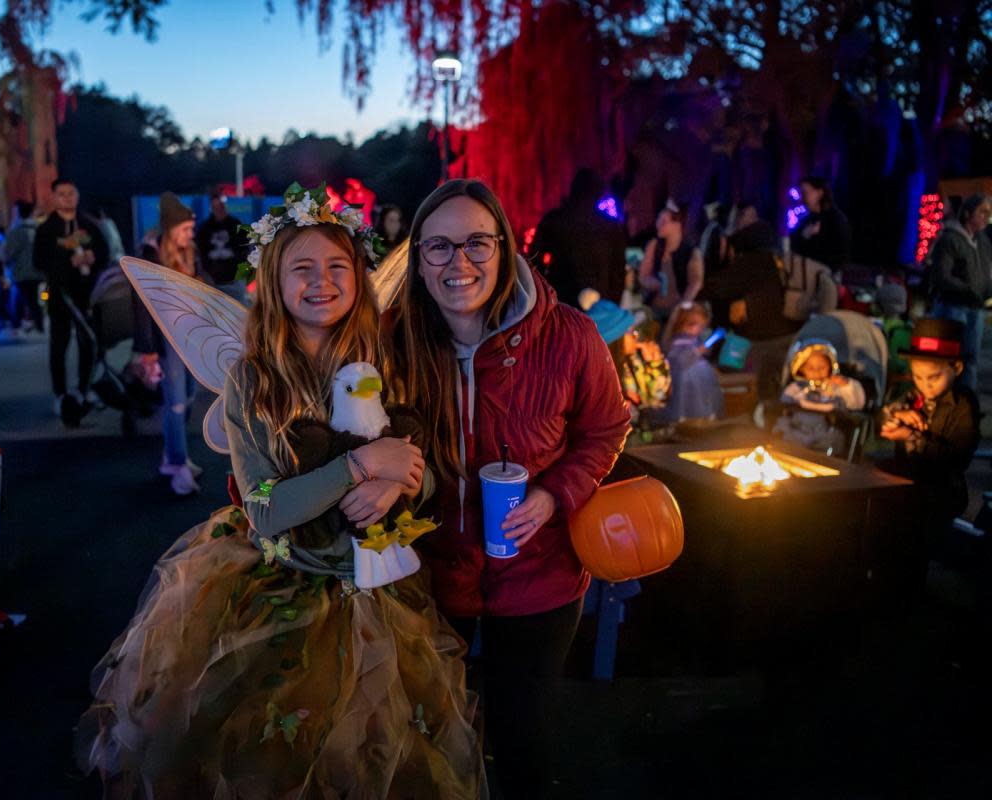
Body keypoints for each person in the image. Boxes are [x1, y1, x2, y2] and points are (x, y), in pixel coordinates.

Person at [78, 184, 481, 797]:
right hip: (284, 584)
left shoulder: (386, 361)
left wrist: (403, 479)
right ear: (273, 281)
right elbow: (266, 512)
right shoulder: (253, 379)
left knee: (372, 752)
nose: (321, 281)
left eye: (337, 266)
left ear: (359, 277)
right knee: (281, 751)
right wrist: (363, 465)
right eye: (302, 268)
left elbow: (420, 479)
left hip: (375, 578)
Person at [385, 179, 631, 796]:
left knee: (522, 739)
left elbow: (606, 428)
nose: (458, 262)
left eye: (476, 243)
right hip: (426, 575)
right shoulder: (392, 342)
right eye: (438, 247)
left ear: (505, 247)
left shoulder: (570, 335)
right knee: (427, 735)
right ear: (417, 259)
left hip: (539, 576)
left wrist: (555, 495)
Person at [879, 318, 979, 584]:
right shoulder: (915, 397)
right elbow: (884, 416)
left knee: (918, 541)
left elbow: (957, 457)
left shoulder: (963, 405)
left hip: (939, 489)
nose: (925, 385)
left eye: (933, 377)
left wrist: (913, 436)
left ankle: (914, 585)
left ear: (955, 368)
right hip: (907, 479)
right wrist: (898, 416)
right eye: (918, 377)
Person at [132, 193, 204, 495]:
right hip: (166, 338)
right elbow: (140, 304)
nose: (191, 234)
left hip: (189, 333)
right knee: (174, 401)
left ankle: (174, 456)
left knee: (187, 396)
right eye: (186, 229)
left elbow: (202, 287)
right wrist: (146, 347)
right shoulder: (150, 254)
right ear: (171, 229)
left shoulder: (189, 252)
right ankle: (177, 464)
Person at [702, 219, 801, 409]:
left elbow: (715, 288)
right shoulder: (777, 261)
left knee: (747, 375)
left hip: (760, 338)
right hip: (788, 332)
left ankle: (751, 408)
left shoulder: (747, 263)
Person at [33, 178, 109, 414]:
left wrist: (91, 259)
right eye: (61, 194)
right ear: (54, 197)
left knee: (88, 342)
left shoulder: (89, 225)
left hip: (87, 295)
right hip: (60, 296)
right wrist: (67, 262)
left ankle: (84, 390)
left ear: (77, 195)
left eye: (71, 193)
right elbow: (39, 261)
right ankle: (60, 394)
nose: (67, 198)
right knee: (59, 345)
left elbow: (105, 253)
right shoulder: (46, 229)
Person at [531, 168, 628, 309]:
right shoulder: (611, 228)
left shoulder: (555, 220)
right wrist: (612, 305)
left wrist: (544, 294)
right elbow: (618, 272)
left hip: (560, 301)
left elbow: (534, 260)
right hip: (600, 307)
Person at [928, 193, 992, 391]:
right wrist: (968, 289)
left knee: (971, 357)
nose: (985, 217)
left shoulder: (982, 241)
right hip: (954, 306)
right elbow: (942, 276)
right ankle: (948, 399)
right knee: (952, 356)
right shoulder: (950, 239)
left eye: (988, 213)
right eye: (981, 212)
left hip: (976, 306)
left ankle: (967, 403)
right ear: (967, 213)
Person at [773, 340, 866, 453]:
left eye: (822, 367)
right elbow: (784, 404)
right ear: (801, 370)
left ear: (831, 366)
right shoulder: (797, 387)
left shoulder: (836, 387)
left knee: (834, 442)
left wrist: (846, 385)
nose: (817, 372)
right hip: (798, 430)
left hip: (827, 433)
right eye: (811, 368)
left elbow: (856, 404)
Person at [638, 199, 704, 319]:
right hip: (653, 308)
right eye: (658, 219)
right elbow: (643, 276)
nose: (658, 224)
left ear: (677, 225)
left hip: (675, 312)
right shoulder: (654, 245)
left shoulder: (691, 252)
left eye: (664, 221)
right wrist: (656, 283)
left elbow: (695, 282)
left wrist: (682, 308)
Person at [659, 301, 724, 423]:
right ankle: (685, 417)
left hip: (699, 373)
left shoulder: (694, 338)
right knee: (687, 397)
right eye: (698, 326)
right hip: (685, 376)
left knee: (703, 394)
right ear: (685, 324)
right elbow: (681, 359)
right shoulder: (678, 341)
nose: (700, 329)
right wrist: (700, 349)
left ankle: (705, 415)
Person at [790, 175, 851, 271]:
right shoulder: (807, 220)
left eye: (806, 192)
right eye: (802, 193)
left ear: (819, 193)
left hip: (823, 275)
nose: (803, 197)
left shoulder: (835, 219)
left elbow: (838, 255)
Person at [1, 200, 43, 333]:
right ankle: (38, 324)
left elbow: (8, 253)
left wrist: (5, 262)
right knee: (35, 298)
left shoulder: (16, 231)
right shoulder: (40, 229)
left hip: (21, 272)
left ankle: (17, 324)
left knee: (20, 297)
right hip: (39, 271)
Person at [194, 191, 248, 291]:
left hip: (234, 278)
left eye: (220, 205)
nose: (218, 209)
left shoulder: (235, 224)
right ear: (211, 207)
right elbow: (201, 251)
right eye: (215, 206)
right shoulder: (205, 228)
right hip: (212, 280)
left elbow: (244, 247)